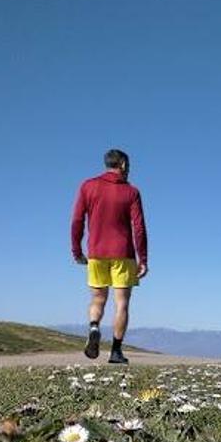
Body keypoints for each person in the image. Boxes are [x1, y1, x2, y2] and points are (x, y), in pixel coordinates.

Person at [71, 149, 149, 363]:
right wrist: (143, 259)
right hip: (123, 254)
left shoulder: (88, 186)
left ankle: (94, 326)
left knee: (97, 299)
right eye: (129, 167)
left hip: (96, 253)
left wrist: (77, 251)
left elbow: (77, 220)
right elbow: (139, 228)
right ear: (122, 164)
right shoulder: (131, 192)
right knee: (121, 303)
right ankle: (115, 351)